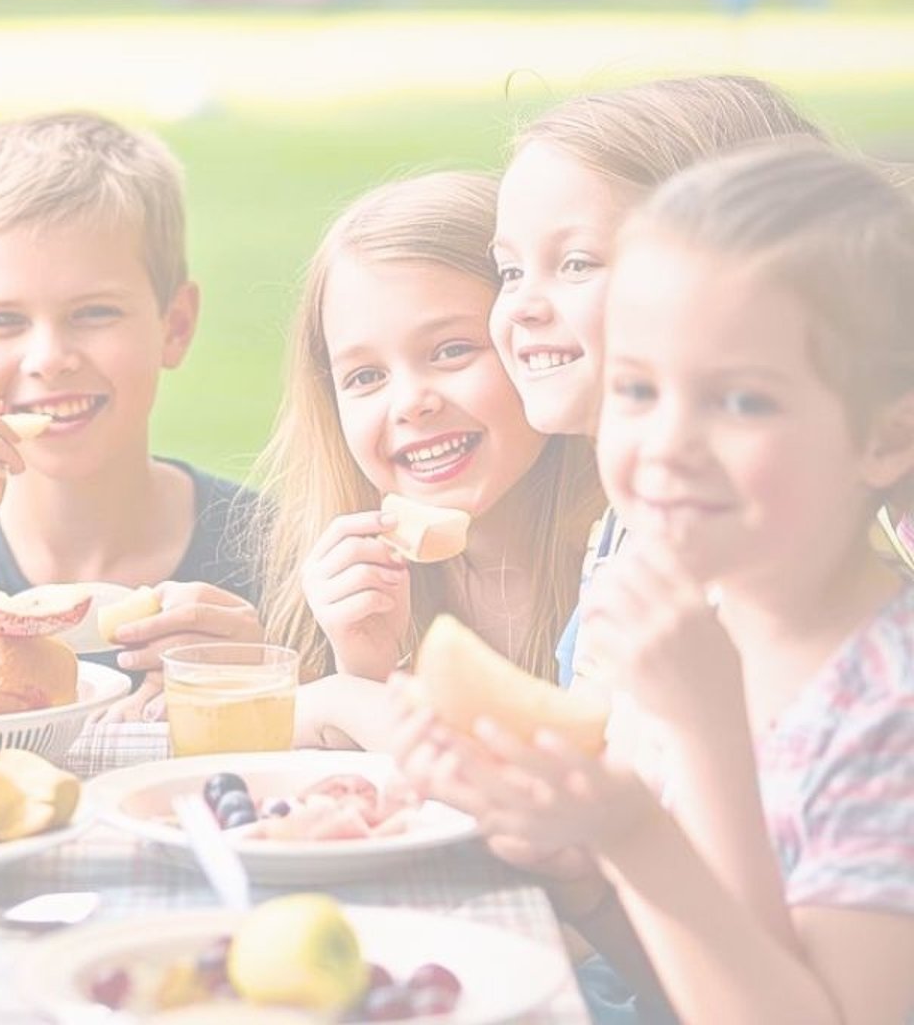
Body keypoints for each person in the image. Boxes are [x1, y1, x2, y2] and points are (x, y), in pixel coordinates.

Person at [393, 143, 914, 1025]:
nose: (668, 444)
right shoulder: (680, 615)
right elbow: (719, 973)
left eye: (742, 401)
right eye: (637, 390)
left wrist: (648, 809)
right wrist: (581, 844)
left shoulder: (886, 709)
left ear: (883, 441)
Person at [0, 111, 264, 722]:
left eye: (94, 313)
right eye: (4, 321)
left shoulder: (265, 547)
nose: (50, 359)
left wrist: (264, 674)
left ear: (176, 326)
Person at [489, 74, 825, 692]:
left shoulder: (759, 568)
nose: (522, 306)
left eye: (577, 263)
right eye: (509, 270)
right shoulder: (627, 522)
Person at [251, 171, 602, 749]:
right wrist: (365, 671)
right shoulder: (344, 589)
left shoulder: (625, 565)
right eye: (366, 377)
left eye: (452, 351)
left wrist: (340, 702)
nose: (411, 402)